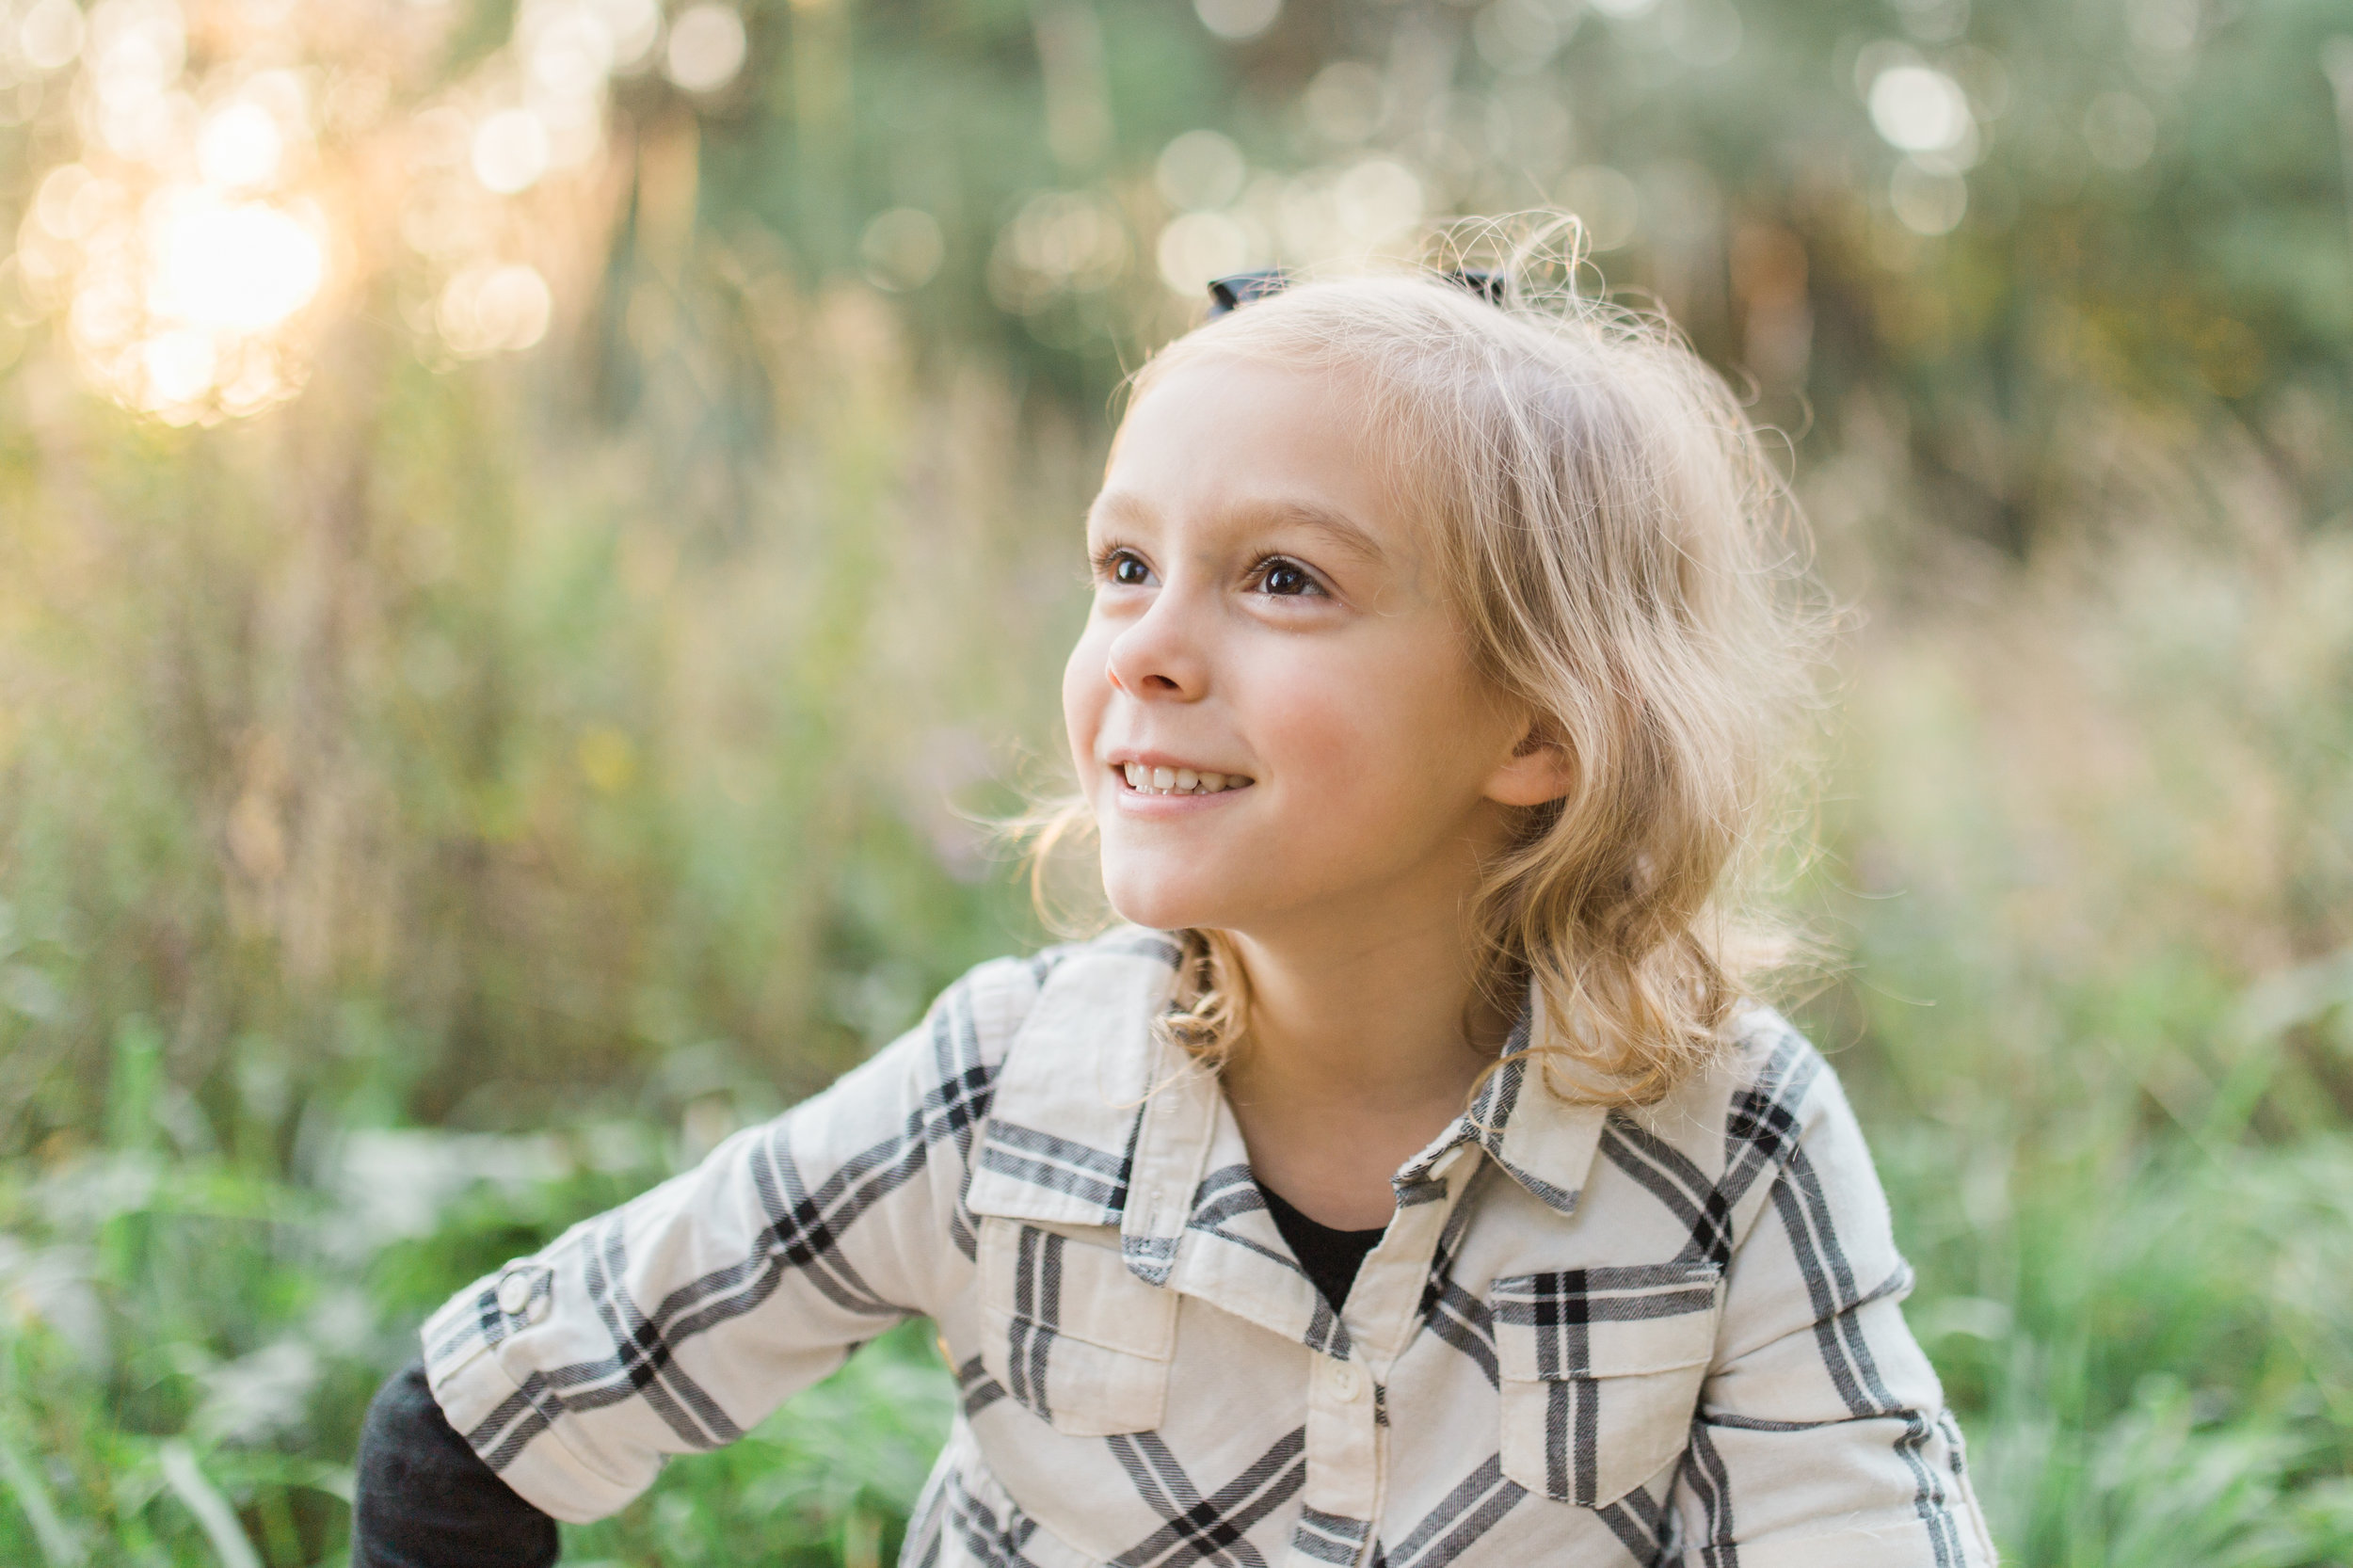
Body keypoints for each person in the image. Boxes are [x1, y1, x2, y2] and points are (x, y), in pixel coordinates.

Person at [353, 235, 1997, 1567]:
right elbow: (481, 1415)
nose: (1145, 643)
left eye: (1284, 578)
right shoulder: (1004, 1089)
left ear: (1541, 727)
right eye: (1125, 566)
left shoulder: (1734, 1132)